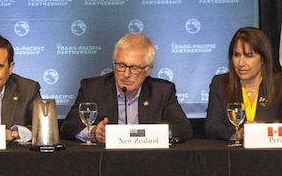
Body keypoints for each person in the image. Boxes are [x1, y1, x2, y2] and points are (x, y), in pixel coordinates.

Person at [61, 33, 193, 143]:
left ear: (148, 70)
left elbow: (184, 129)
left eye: (134, 68)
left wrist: (156, 133)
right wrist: (94, 133)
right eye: (121, 66)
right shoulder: (93, 88)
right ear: (113, 64)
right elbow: (67, 127)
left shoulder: (162, 91)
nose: (126, 74)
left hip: (150, 162)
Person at [205, 27, 282, 140]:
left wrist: (260, 132)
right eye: (236, 55)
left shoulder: (279, 85)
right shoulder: (220, 83)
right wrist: (238, 133)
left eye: (248, 55)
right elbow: (211, 127)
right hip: (233, 156)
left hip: (271, 156)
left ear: (263, 59)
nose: (241, 63)